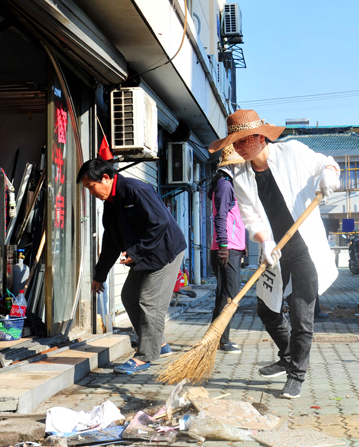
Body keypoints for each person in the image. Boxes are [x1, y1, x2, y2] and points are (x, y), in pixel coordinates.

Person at [208, 109, 340, 399]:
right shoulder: (239, 174)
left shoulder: (291, 151)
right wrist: (264, 241)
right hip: (274, 250)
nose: (238, 149)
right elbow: (250, 216)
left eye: (242, 142)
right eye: (235, 144)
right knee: (266, 310)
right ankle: (289, 354)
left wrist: (329, 176)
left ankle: (297, 374)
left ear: (258, 137)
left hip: (305, 247)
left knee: (300, 311)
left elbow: (325, 163)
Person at [77, 158, 186, 374]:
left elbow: (160, 223)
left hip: (166, 252)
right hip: (145, 255)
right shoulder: (110, 203)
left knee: (149, 302)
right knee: (128, 296)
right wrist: (100, 274)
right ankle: (159, 344)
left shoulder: (136, 190)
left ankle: (145, 356)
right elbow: (110, 241)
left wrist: (135, 253)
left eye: (91, 186)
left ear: (106, 178)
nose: (91, 192)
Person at [209, 145, 246, 353]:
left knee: (225, 294)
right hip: (226, 249)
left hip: (232, 247)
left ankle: (216, 338)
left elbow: (235, 219)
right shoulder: (224, 185)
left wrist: (242, 246)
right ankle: (221, 340)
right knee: (229, 296)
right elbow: (220, 217)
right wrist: (224, 246)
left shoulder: (226, 184)